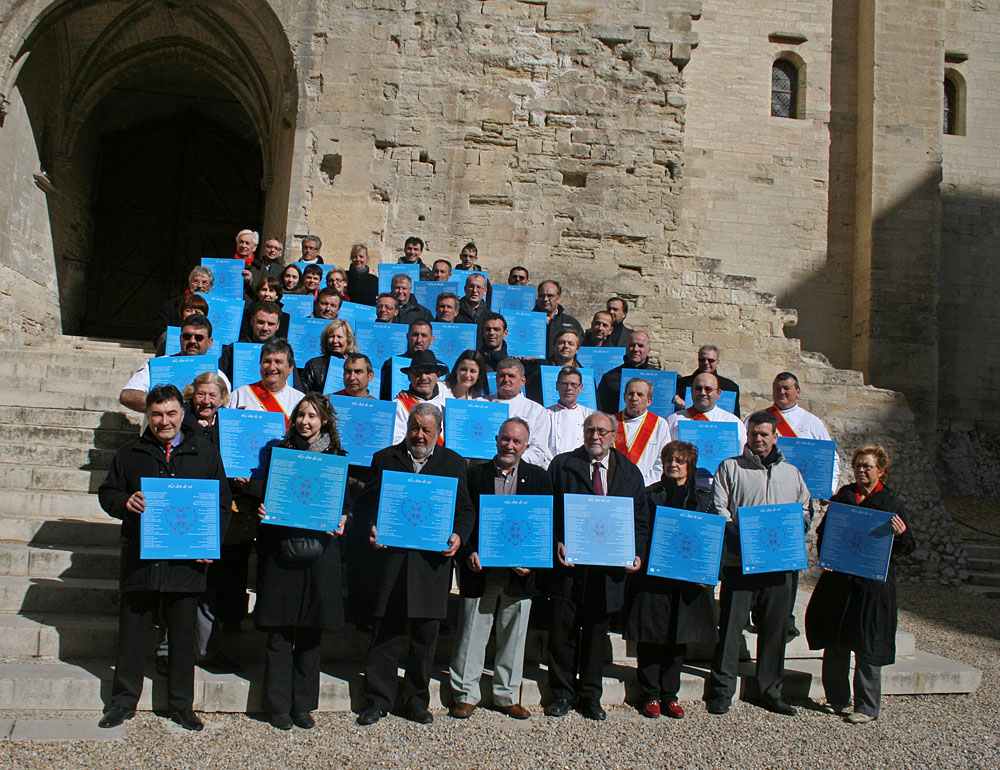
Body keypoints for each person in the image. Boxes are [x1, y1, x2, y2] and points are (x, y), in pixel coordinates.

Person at [96, 384, 231, 731]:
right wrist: (124, 503)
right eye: (156, 414)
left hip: (184, 565)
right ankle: (124, 701)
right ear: (148, 416)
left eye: (171, 413)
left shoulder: (205, 453)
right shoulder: (130, 452)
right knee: (130, 636)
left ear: (181, 414)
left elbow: (220, 504)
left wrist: (210, 543)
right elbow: (107, 492)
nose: (164, 421)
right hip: (141, 561)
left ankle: (180, 705)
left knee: (184, 640)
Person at [356, 403, 475, 725]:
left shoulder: (452, 463)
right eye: (414, 428)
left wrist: (458, 537)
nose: (419, 435)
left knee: (425, 637)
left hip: (430, 565)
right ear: (407, 427)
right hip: (391, 562)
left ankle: (415, 701)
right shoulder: (385, 458)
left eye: (426, 430)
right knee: (385, 634)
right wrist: (371, 526)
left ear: (438, 432)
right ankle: (378, 700)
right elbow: (366, 504)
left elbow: (464, 511)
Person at [253, 394, 351, 730]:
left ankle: (303, 704)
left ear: (324, 421)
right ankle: (278, 705)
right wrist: (263, 507)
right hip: (282, 550)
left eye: (312, 416)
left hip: (321, 554)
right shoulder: (280, 454)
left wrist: (345, 517)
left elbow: (346, 503)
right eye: (301, 415)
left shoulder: (338, 458)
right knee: (280, 632)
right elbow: (263, 491)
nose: (305, 421)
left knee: (310, 632)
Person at [705, 411, 811, 717]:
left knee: (774, 629)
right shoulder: (730, 467)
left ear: (775, 437)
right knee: (730, 628)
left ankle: (769, 691)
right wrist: (745, 535)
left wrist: (801, 522)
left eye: (765, 434)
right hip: (741, 562)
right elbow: (719, 507)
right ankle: (722, 691)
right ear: (747, 436)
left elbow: (805, 506)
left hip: (779, 565)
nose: (759, 439)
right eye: (754, 434)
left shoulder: (791, 473)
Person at [545, 412, 649, 720]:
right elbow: (548, 509)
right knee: (562, 632)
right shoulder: (562, 465)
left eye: (602, 431)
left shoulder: (630, 473)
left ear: (614, 436)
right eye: (590, 429)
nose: (595, 436)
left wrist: (637, 553)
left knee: (595, 632)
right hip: (569, 566)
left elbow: (640, 521)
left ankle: (590, 695)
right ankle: (562, 694)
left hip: (607, 570)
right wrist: (556, 543)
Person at [449, 418, 551, 720]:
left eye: (517, 441)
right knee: (471, 632)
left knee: (514, 634)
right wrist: (468, 552)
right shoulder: (473, 474)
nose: (510, 445)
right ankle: (465, 694)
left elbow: (544, 524)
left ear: (526, 446)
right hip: (478, 567)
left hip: (519, 573)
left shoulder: (538, 478)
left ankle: (506, 695)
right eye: (505, 439)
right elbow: (464, 518)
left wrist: (531, 562)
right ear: (496, 440)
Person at [805, 445, 914, 725]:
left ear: (881, 471)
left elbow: (907, 547)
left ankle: (866, 706)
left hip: (872, 587)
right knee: (836, 641)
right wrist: (826, 554)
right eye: (858, 466)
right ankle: (838, 698)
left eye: (868, 466)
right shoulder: (843, 497)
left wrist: (901, 535)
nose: (862, 470)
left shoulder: (891, 503)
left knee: (867, 646)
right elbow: (824, 532)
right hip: (840, 582)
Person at [625, 441, 716, 720]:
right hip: (654, 577)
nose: (673, 465)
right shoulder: (650, 495)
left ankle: (670, 694)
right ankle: (650, 693)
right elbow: (639, 529)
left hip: (687, 581)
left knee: (679, 637)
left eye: (679, 461)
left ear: (689, 465)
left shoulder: (703, 498)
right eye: (668, 460)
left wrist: (710, 574)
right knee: (650, 636)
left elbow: (712, 539)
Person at [120, 315, 231, 413]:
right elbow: (127, 395)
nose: (192, 341)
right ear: (180, 339)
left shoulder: (218, 375)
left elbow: (225, 407)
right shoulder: (158, 365)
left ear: (210, 342)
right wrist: (166, 406)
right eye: (187, 336)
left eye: (199, 337)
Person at [763, 371, 840, 496]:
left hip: (800, 489)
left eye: (786, 388)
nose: (781, 392)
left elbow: (830, 456)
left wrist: (828, 489)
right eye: (777, 389)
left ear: (797, 392)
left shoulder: (812, 422)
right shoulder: (758, 418)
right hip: (765, 486)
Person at [664, 372, 747, 465]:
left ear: (718, 393)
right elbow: (664, 454)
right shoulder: (673, 420)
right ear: (691, 391)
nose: (703, 393)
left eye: (708, 389)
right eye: (698, 389)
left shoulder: (732, 422)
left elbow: (742, 455)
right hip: (683, 478)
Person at [489, 358, 552, 469]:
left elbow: (539, 450)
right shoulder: (479, 403)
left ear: (522, 381)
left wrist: (508, 461)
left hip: (521, 471)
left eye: (511, 376)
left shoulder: (536, 410)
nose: (506, 379)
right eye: (502, 376)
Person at [614, 377, 672, 487]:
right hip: (615, 487)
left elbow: (662, 461)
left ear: (649, 401)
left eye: (640, 395)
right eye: (630, 394)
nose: (634, 398)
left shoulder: (659, 424)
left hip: (647, 488)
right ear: (624, 397)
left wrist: (643, 484)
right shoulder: (611, 423)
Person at [229, 339, 304, 418]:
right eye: (267, 361)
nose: (271, 368)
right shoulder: (240, 394)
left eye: (278, 362)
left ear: (290, 368)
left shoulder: (299, 400)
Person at [216, 300, 283, 386]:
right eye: (261, 322)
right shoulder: (231, 350)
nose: (265, 328)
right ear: (252, 320)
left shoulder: (284, 353)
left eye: (270, 324)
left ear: (277, 326)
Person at [391, 349, 450, 443]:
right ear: (409, 377)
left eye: (428, 372)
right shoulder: (399, 405)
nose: (423, 377)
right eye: (417, 373)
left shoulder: (448, 402)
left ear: (438, 376)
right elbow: (395, 441)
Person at [596, 331, 660, 414]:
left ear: (648, 351)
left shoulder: (659, 376)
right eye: (632, 345)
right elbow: (600, 408)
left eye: (640, 346)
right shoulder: (610, 377)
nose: (636, 349)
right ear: (626, 348)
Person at [152, 265, 214, 350]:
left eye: (204, 282)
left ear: (211, 286)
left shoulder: (218, 308)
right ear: (189, 283)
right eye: (196, 281)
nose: (200, 286)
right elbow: (159, 334)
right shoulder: (171, 306)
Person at [674, 344, 742, 417]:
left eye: (711, 360)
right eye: (702, 360)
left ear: (717, 362)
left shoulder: (730, 387)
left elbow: (735, 417)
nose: (706, 363)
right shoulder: (681, 384)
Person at [379, 320, 436, 399]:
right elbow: (385, 397)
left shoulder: (440, 366)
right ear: (407, 337)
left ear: (432, 339)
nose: (419, 340)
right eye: (415, 335)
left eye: (424, 335)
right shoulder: (390, 364)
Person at [546, 365, 595, 456]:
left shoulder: (591, 415)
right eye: (564, 384)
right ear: (557, 386)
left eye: (573, 384)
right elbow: (541, 447)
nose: (569, 388)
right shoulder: (545, 414)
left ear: (581, 388)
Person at [525, 328, 581, 404]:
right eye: (561, 343)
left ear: (577, 349)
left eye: (571, 343)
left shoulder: (586, 376)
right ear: (554, 346)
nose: (566, 346)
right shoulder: (537, 371)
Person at [301, 319, 358, 393]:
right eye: (331, 337)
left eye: (339, 337)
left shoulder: (358, 363)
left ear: (349, 340)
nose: (335, 341)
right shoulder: (313, 364)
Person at [534, 280, 584, 358]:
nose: (545, 299)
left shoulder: (571, 323)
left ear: (558, 298)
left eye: (550, 296)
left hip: (560, 368)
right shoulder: (527, 320)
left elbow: (580, 350)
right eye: (542, 295)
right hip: (532, 367)